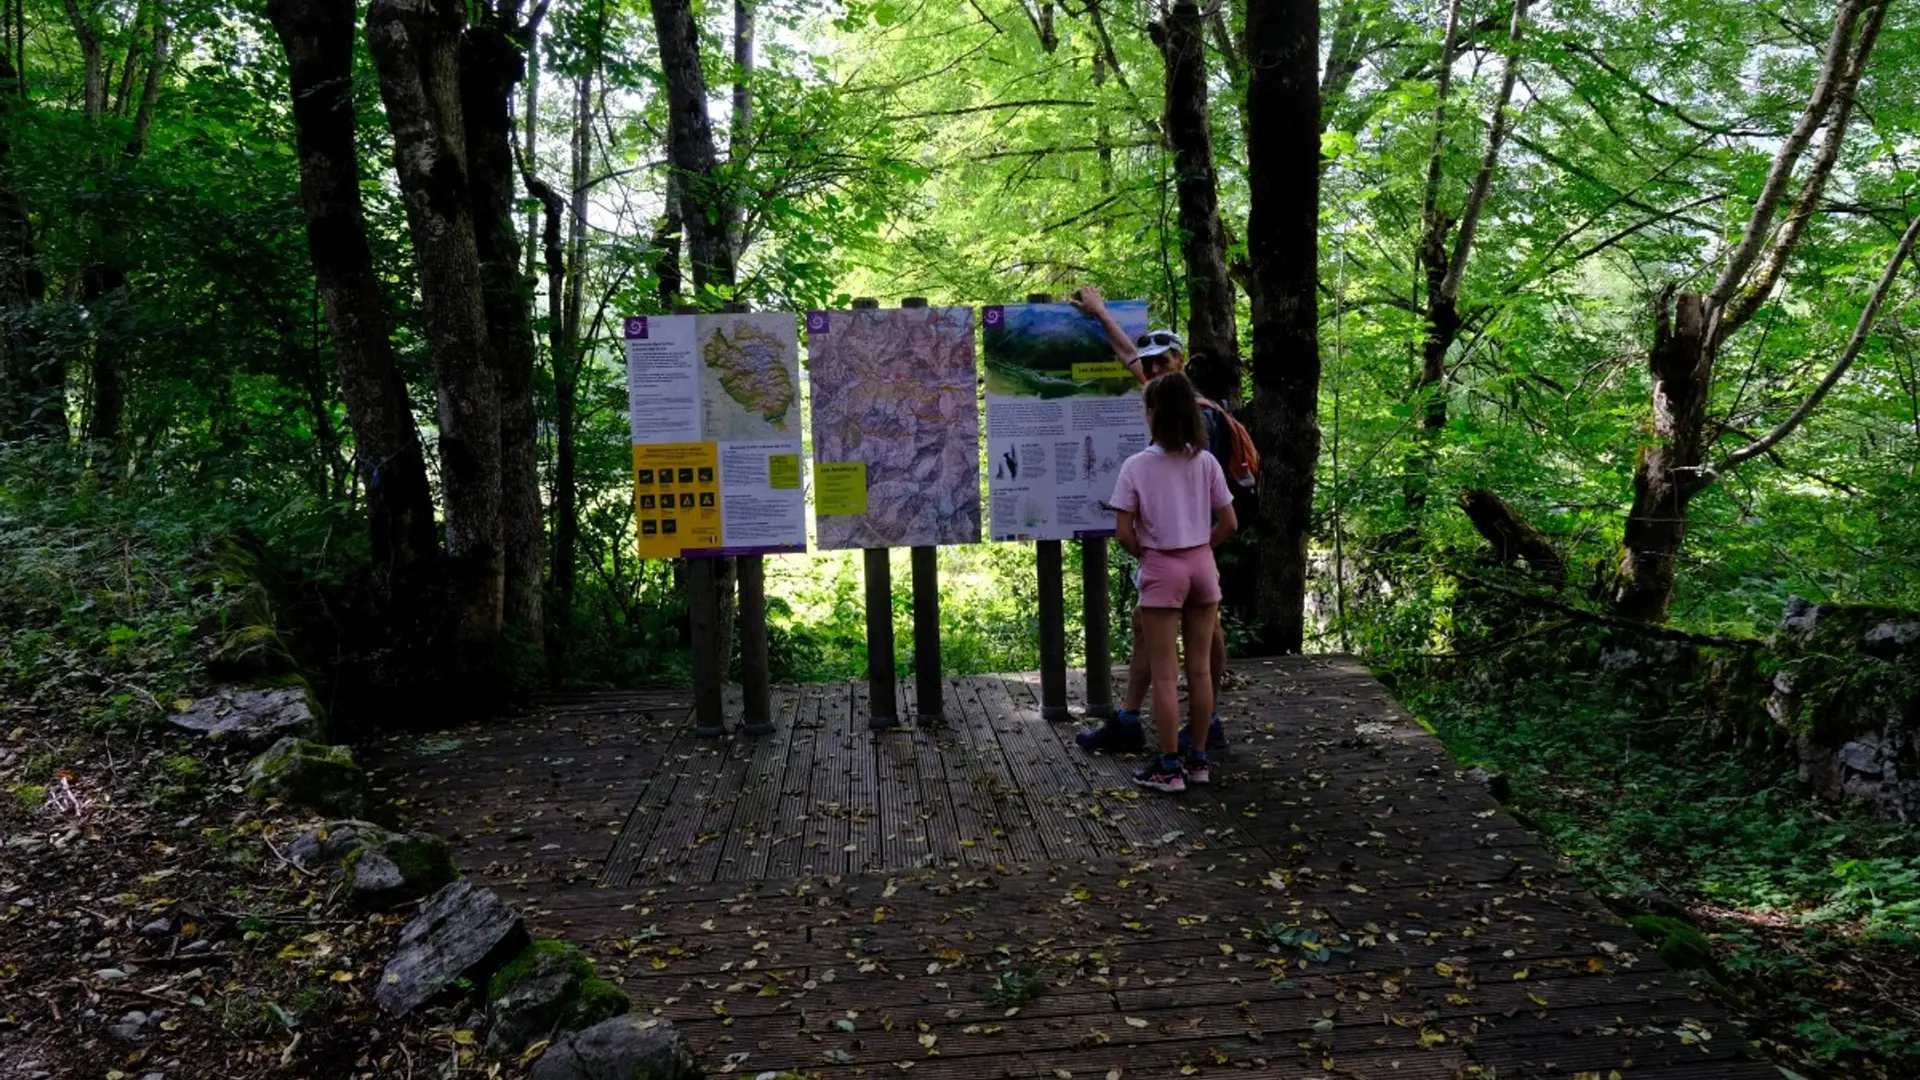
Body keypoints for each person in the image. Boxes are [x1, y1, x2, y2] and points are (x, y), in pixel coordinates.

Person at [1070, 285, 1229, 756]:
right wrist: (1100, 313)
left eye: (1164, 360)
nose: (1154, 367)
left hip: (1190, 549)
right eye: (1152, 361)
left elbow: (1214, 505)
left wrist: (1170, 549)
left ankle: (1198, 728)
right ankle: (1134, 719)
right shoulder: (1169, 404)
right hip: (1185, 552)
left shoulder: (1200, 420)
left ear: (1182, 361)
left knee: (1201, 641)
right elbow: (1128, 356)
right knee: (1151, 627)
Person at [1106, 371, 1236, 792]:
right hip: (1201, 565)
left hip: (1163, 566)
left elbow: (1123, 531)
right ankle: (1198, 761)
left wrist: (1149, 553)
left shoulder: (1137, 466)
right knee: (1199, 670)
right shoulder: (1206, 461)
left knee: (1164, 674)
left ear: (1153, 414)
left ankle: (1167, 767)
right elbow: (1229, 522)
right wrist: (1201, 547)